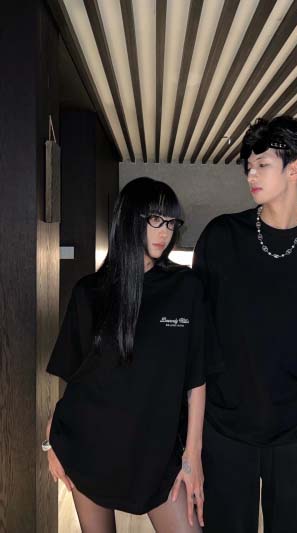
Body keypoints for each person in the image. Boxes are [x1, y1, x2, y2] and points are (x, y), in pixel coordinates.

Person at [192, 116, 297, 533]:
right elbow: (198, 334)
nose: (250, 173)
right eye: (248, 165)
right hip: (226, 424)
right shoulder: (221, 237)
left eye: (262, 164)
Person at [44, 177, 206, 533]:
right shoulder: (89, 292)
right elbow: (73, 378)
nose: (165, 231)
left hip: (158, 455)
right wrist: (52, 441)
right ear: (130, 218)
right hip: (90, 448)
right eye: (155, 219)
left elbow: (197, 378)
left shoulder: (186, 288)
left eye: (171, 222)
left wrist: (192, 455)